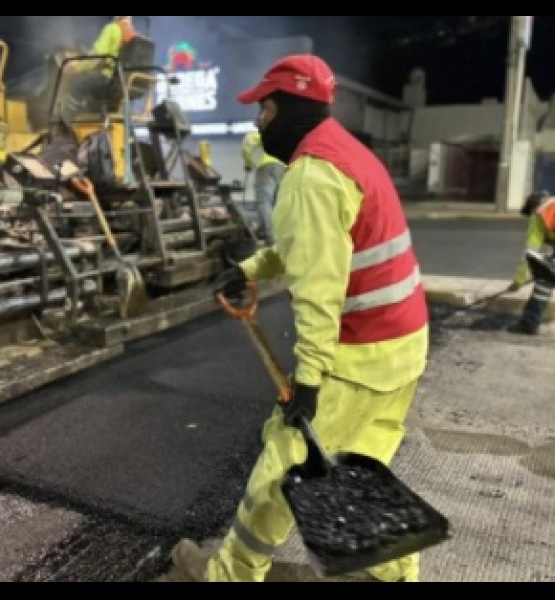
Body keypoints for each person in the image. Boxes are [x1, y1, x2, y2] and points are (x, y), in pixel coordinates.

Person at [170, 54, 430, 583]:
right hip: (402, 349)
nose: (258, 120)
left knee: (282, 469)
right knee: (357, 470)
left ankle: (230, 575)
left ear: (289, 107)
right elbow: (314, 246)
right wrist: (249, 269)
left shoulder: (311, 177)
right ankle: (396, 574)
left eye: (264, 109)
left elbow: (319, 292)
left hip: (356, 362)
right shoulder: (348, 153)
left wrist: (308, 380)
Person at [60, 16, 136, 124]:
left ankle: (64, 121)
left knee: (78, 86)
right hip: (115, 77)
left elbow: (96, 56)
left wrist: (76, 67)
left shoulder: (111, 28)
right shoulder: (127, 34)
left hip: (103, 74)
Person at [507, 190, 555, 335]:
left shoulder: (540, 213)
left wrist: (518, 281)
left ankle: (529, 323)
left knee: (544, 282)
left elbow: (530, 253)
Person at [242, 131, 286, 245]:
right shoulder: (279, 134)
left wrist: (249, 163)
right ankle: (279, 235)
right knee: (277, 203)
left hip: (267, 167)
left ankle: (271, 237)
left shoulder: (259, 134)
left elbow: (247, 145)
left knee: (264, 201)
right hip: (282, 167)